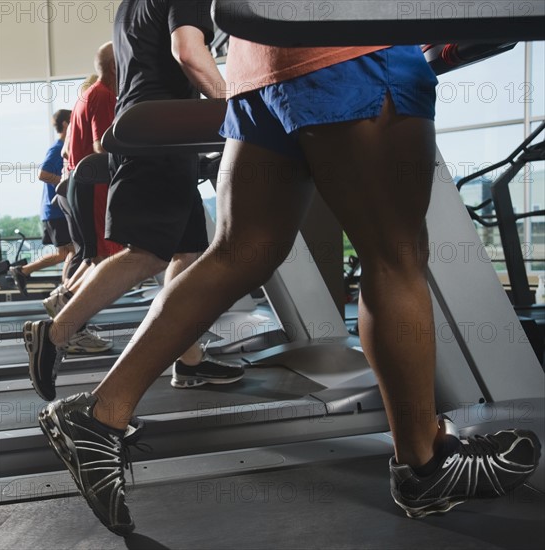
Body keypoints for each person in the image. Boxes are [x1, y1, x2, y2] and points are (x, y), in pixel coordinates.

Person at [32, 24, 541, 538]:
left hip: (260, 65)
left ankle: (100, 414)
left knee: (239, 252)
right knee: (395, 256)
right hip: (352, 47)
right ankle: (425, 466)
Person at [24, 0, 244, 403]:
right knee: (148, 254)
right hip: (161, 132)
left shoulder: (131, 5)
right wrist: (238, 114)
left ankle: (189, 359)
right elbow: (189, 53)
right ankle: (56, 333)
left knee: (187, 251)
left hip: (166, 133)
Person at [41, 45, 122, 357]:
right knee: (105, 258)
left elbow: (66, 153)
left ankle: (67, 304)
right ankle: (68, 309)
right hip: (93, 186)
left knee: (91, 255)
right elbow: (103, 146)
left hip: (79, 186)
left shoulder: (86, 97)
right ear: (117, 67)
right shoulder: (103, 95)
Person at [9, 110, 75, 297]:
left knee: (66, 252)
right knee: (71, 250)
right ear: (65, 124)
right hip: (55, 210)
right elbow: (43, 174)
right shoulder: (58, 147)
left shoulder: (65, 146)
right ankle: (65, 293)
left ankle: (25, 271)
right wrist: (64, 183)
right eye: (73, 121)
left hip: (57, 210)